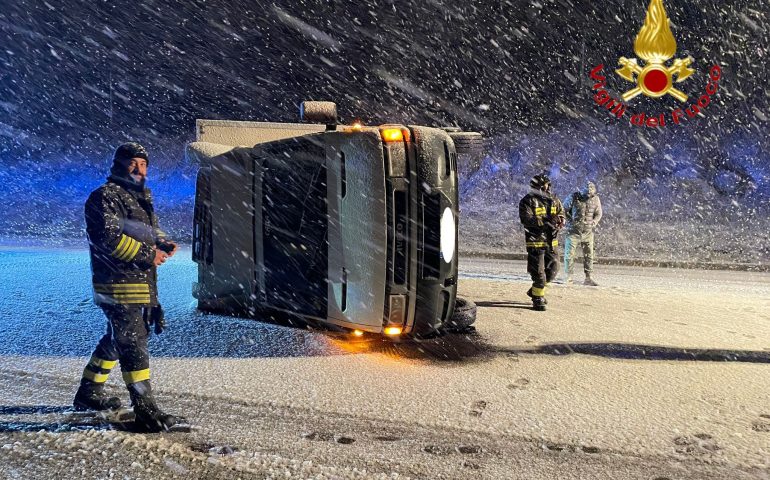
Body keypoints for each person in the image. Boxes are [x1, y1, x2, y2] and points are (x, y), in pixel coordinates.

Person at [74, 142, 182, 432]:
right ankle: (145, 410)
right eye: (133, 162)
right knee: (132, 342)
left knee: (119, 337)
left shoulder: (138, 197)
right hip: (116, 284)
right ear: (118, 164)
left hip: (138, 282)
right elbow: (107, 239)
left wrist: (161, 241)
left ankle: (89, 392)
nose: (139, 168)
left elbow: (143, 230)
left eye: (144, 164)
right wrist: (149, 254)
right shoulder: (104, 196)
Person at [519, 174, 565, 311]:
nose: (548, 187)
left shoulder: (554, 199)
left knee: (553, 269)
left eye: (548, 185)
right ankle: (537, 299)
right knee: (539, 273)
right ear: (538, 187)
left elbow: (561, 211)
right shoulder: (527, 201)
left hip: (552, 242)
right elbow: (526, 220)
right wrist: (546, 222)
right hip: (536, 242)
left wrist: (561, 219)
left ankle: (535, 290)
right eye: (546, 185)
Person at [563, 181, 603, 286]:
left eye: (591, 194)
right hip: (573, 231)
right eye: (587, 194)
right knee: (569, 254)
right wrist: (570, 221)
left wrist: (595, 221)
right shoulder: (573, 197)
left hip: (588, 232)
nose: (589, 196)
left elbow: (599, 213)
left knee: (589, 255)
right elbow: (563, 210)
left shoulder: (596, 199)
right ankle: (568, 276)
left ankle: (588, 277)